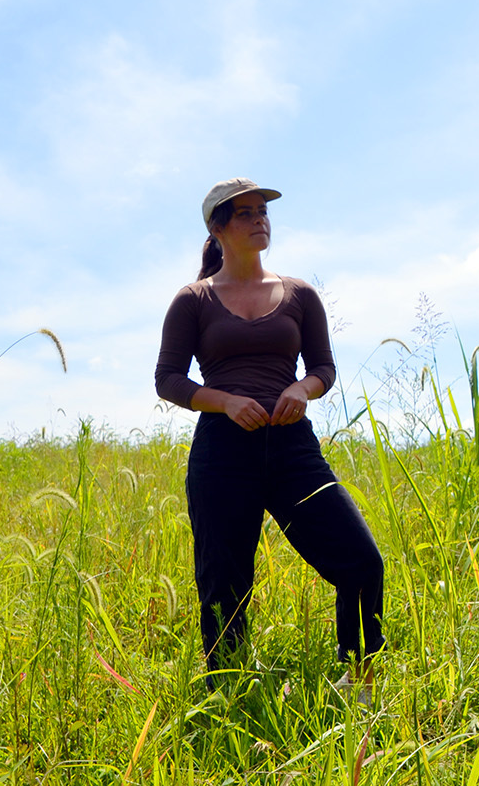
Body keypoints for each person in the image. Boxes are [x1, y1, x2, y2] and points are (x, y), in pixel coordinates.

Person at [155, 178, 384, 691]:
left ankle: (361, 682)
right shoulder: (193, 300)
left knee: (361, 559)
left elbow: (323, 367)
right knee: (223, 583)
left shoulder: (300, 294)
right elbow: (167, 379)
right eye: (245, 213)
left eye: (263, 211)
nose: (260, 219)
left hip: (291, 448)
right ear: (218, 228)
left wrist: (302, 388)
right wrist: (227, 402)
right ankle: (228, 694)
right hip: (222, 452)